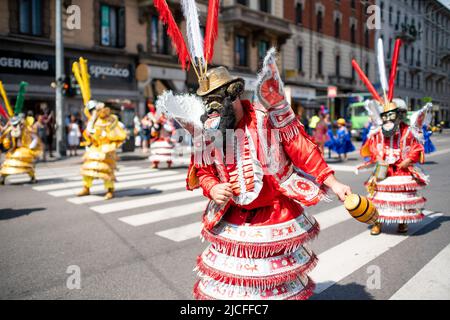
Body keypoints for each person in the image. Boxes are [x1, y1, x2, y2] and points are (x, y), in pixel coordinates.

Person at [157, 50, 352, 300]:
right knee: (238, 286)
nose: (213, 111)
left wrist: (333, 183)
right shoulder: (208, 130)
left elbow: (301, 148)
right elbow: (204, 171)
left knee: (270, 285)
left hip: (274, 214)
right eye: (208, 104)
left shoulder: (266, 117)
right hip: (233, 218)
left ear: (234, 95)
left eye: (218, 100)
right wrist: (213, 188)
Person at [354, 38, 429, 235]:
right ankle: (377, 223)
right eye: (385, 116)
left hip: (401, 169)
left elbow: (416, 147)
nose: (388, 119)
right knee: (377, 197)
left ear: (399, 116)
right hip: (383, 168)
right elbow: (372, 145)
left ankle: (402, 222)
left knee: (401, 198)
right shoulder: (379, 131)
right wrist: (378, 157)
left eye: (391, 116)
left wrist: (408, 160)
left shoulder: (406, 130)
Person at [77, 100, 127, 200]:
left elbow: (119, 131)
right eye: (94, 111)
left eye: (96, 110)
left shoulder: (112, 120)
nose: (96, 112)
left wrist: (108, 134)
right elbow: (90, 133)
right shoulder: (94, 120)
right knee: (89, 168)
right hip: (95, 148)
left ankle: (110, 190)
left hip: (106, 149)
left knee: (106, 171)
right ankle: (86, 188)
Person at [0, 83, 42, 184]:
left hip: (24, 150)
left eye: (17, 124)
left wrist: (31, 147)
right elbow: (3, 135)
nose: (15, 126)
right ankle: (2, 177)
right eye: (14, 125)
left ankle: (32, 177)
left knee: (27, 165)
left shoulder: (26, 130)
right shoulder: (11, 129)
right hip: (13, 150)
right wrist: (5, 141)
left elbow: (35, 138)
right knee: (8, 164)